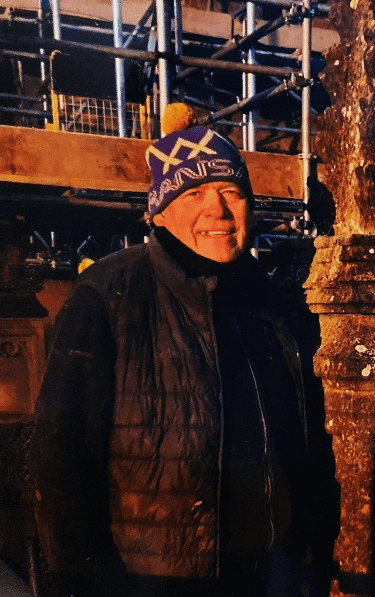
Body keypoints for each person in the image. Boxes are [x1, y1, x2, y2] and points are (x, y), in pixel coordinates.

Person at [29, 105, 328, 597]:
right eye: (193, 193)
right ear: (160, 210)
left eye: (231, 191)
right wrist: (75, 579)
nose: (217, 208)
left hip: (264, 572)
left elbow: (303, 439)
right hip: (153, 577)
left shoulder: (269, 301)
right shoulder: (109, 295)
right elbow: (63, 454)